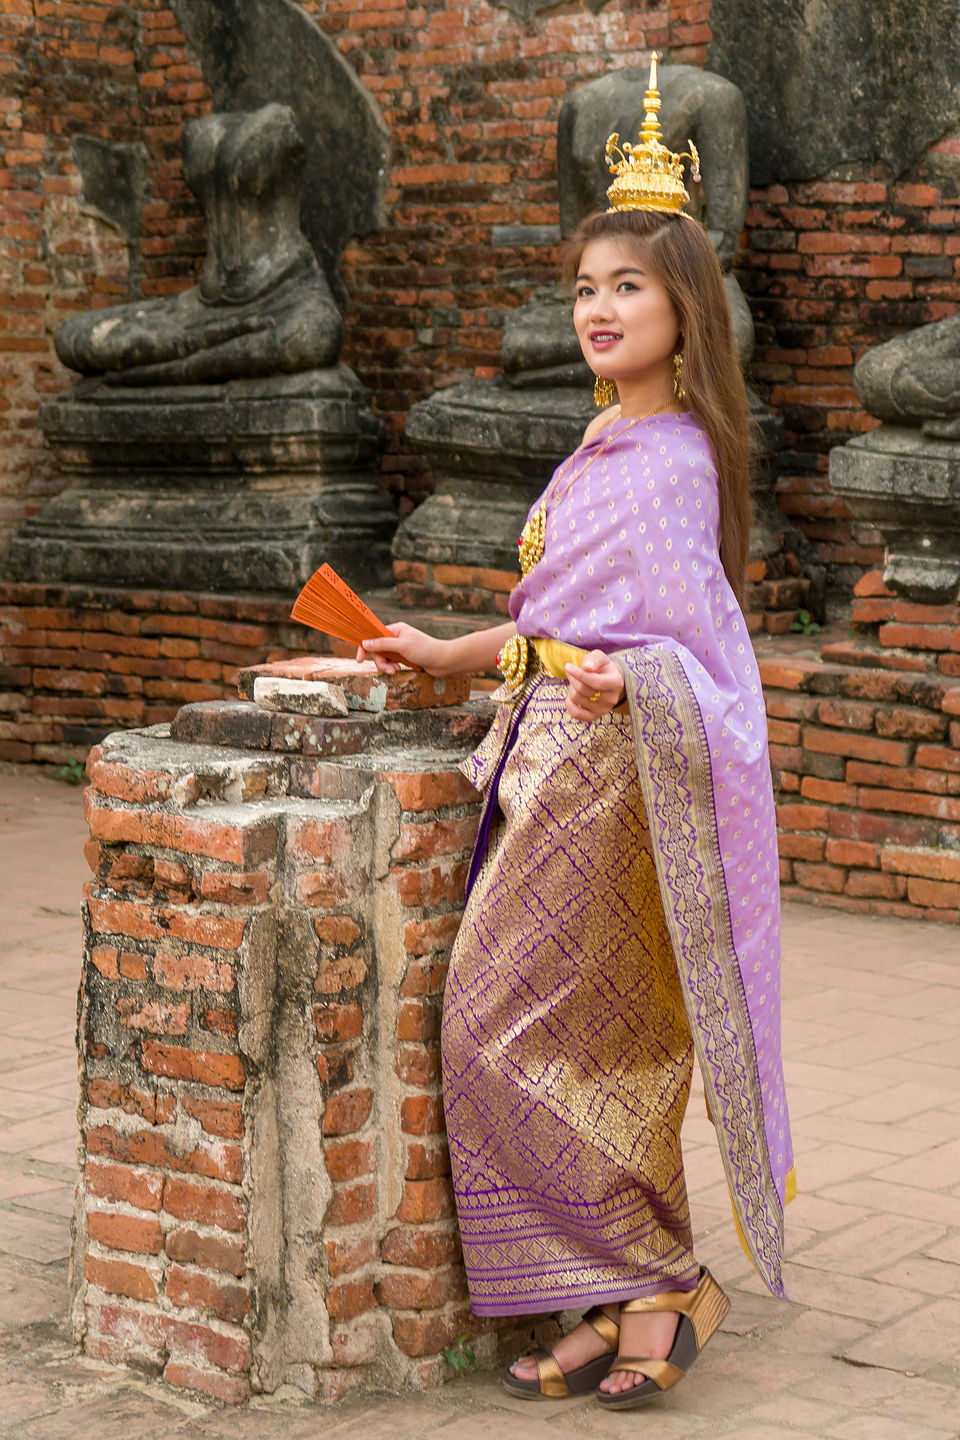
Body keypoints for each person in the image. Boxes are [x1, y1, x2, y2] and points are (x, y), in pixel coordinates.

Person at [360, 54, 794, 1412]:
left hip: (614, 786)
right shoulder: (603, 445)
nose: (599, 309)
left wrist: (624, 685)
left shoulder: (671, 464)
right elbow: (560, 622)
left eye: (627, 287)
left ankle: (663, 1277)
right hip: (546, 771)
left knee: (527, 1032)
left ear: (683, 309)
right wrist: (444, 652)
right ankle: (630, 1291)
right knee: (572, 1043)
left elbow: (688, 655)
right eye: (585, 289)